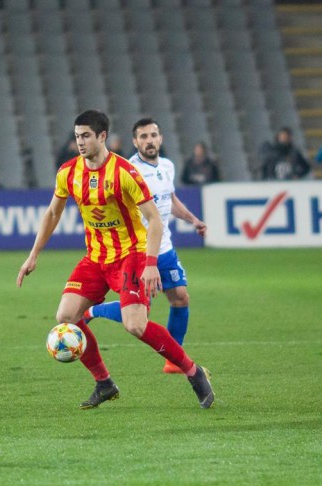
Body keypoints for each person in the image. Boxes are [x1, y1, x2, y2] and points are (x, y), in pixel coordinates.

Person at [16, 110, 214, 409]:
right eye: (77, 135)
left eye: (85, 136)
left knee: (135, 325)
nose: (79, 142)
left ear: (102, 136)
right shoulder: (68, 172)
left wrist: (149, 265)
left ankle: (192, 371)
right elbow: (53, 213)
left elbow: (154, 221)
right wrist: (33, 256)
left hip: (129, 256)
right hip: (96, 258)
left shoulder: (124, 172)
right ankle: (104, 383)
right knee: (65, 317)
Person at [82, 118, 207, 374]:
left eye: (153, 135)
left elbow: (169, 200)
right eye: (144, 137)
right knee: (139, 312)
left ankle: (174, 360)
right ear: (135, 142)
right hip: (139, 248)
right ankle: (93, 311)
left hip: (165, 248)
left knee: (180, 297)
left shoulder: (168, 167)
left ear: (160, 138)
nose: (149, 140)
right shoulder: (128, 169)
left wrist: (193, 219)